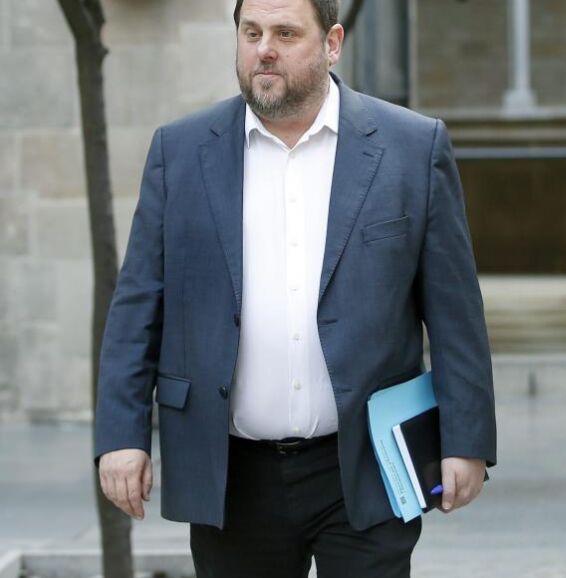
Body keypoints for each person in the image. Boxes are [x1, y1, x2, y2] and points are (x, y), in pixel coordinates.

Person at [93, 0, 496, 575]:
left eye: (285, 33)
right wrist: (121, 434)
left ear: (332, 43)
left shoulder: (412, 147)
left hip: (366, 465)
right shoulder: (179, 152)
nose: (264, 49)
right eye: (251, 32)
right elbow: (138, 305)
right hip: (231, 474)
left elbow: (456, 311)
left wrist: (466, 438)